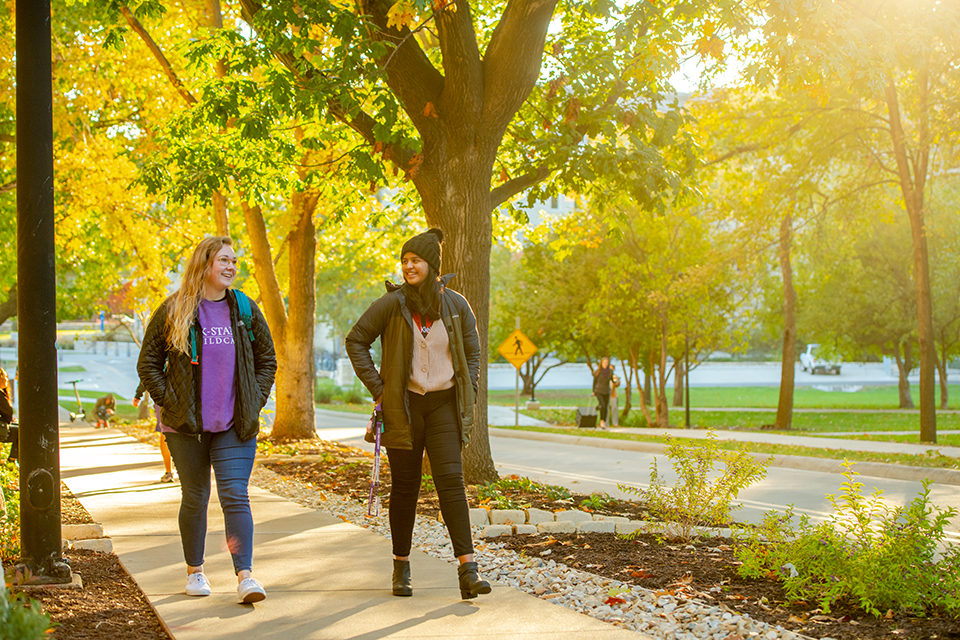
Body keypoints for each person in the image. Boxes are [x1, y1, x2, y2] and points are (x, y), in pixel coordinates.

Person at [345, 228, 489, 600]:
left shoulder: (456, 305)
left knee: (451, 483)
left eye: (416, 260)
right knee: (406, 488)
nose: (409, 266)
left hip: (443, 406)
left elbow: (472, 353)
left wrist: (467, 388)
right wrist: (380, 388)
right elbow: (356, 340)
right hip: (404, 407)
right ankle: (401, 567)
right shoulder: (392, 304)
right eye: (405, 260)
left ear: (432, 265)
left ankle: (468, 570)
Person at [137, 236, 277, 605]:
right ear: (205, 264)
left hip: (235, 424)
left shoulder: (245, 309)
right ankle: (195, 571)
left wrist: (253, 400)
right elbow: (148, 363)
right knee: (196, 497)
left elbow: (268, 360)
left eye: (234, 261)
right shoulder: (175, 309)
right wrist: (171, 402)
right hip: (186, 427)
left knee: (235, 494)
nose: (231, 266)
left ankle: (245, 576)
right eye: (224, 260)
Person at [134, 382, 174, 483]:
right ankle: (187, 472)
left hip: (162, 396)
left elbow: (148, 369)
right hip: (184, 394)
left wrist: (138, 394)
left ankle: (169, 472)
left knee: (164, 432)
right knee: (183, 431)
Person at [592, 357, 615, 429]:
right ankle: (601, 421)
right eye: (604, 362)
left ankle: (603, 421)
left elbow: (612, 380)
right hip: (599, 390)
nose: (605, 364)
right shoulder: (598, 371)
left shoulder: (610, 371)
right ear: (601, 363)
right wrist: (593, 391)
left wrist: (616, 381)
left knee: (605, 406)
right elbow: (594, 381)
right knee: (603, 405)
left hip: (606, 390)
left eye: (606, 363)